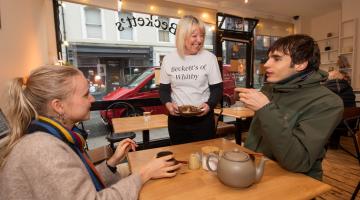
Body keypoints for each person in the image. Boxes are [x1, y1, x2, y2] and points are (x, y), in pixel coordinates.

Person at [0, 65, 181, 200]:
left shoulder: (47, 136)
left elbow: (76, 185)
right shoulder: (42, 149)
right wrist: (143, 174)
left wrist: (111, 163)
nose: (92, 99)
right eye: (86, 95)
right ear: (58, 106)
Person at [237, 34, 343, 180]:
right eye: (268, 58)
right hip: (255, 172)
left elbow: (298, 161)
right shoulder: (270, 89)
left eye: (277, 58)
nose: (267, 64)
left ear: (300, 63)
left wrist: (265, 108)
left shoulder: (328, 102)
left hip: (294, 182)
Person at [159, 15, 223, 145]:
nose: (199, 40)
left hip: (203, 121)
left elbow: (217, 88)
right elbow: (164, 89)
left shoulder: (209, 58)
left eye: (202, 35)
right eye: (194, 36)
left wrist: (209, 105)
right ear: (182, 36)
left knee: (204, 157)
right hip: (177, 121)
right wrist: (168, 105)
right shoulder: (168, 59)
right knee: (180, 158)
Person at [324, 70, 356, 149]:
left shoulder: (325, 89)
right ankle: (334, 143)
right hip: (349, 122)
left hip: (332, 122)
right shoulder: (349, 88)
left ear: (329, 79)